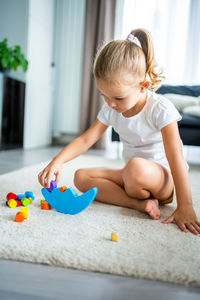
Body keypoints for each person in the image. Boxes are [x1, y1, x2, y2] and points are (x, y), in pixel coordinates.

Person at [38, 28, 200, 235]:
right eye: (104, 95)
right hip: (131, 176)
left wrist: (185, 205)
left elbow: (176, 155)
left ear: (143, 86)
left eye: (118, 98)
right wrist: (57, 161)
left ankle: (144, 194)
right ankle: (138, 204)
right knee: (81, 176)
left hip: (161, 179)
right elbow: (86, 139)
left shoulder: (160, 108)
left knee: (135, 168)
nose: (111, 104)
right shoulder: (111, 107)